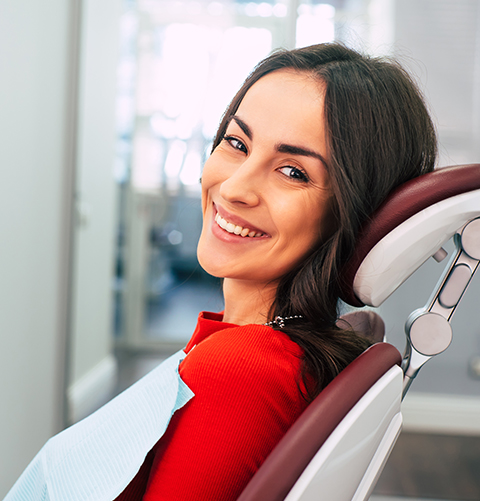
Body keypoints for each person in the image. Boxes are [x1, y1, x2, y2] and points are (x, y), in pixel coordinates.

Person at [5, 42, 437, 501]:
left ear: (356, 212)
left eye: (292, 172)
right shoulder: (260, 349)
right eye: (236, 143)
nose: (233, 188)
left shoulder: (241, 372)